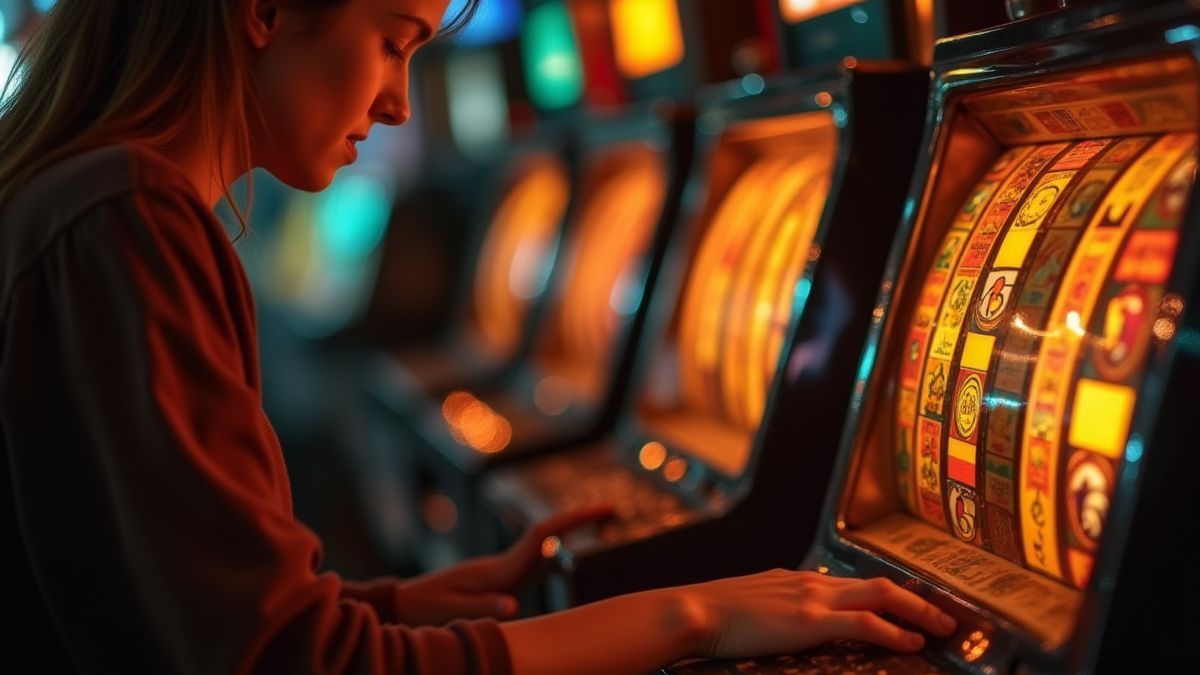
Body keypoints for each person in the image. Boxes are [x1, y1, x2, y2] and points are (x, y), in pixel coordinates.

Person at [0, 1, 957, 673]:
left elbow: (175, 613)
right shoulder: (128, 215)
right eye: (392, 42)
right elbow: (285, 663)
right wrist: (693, 612)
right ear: (264, 12)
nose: (399, 103)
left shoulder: (94, 201)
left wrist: (403, 606)